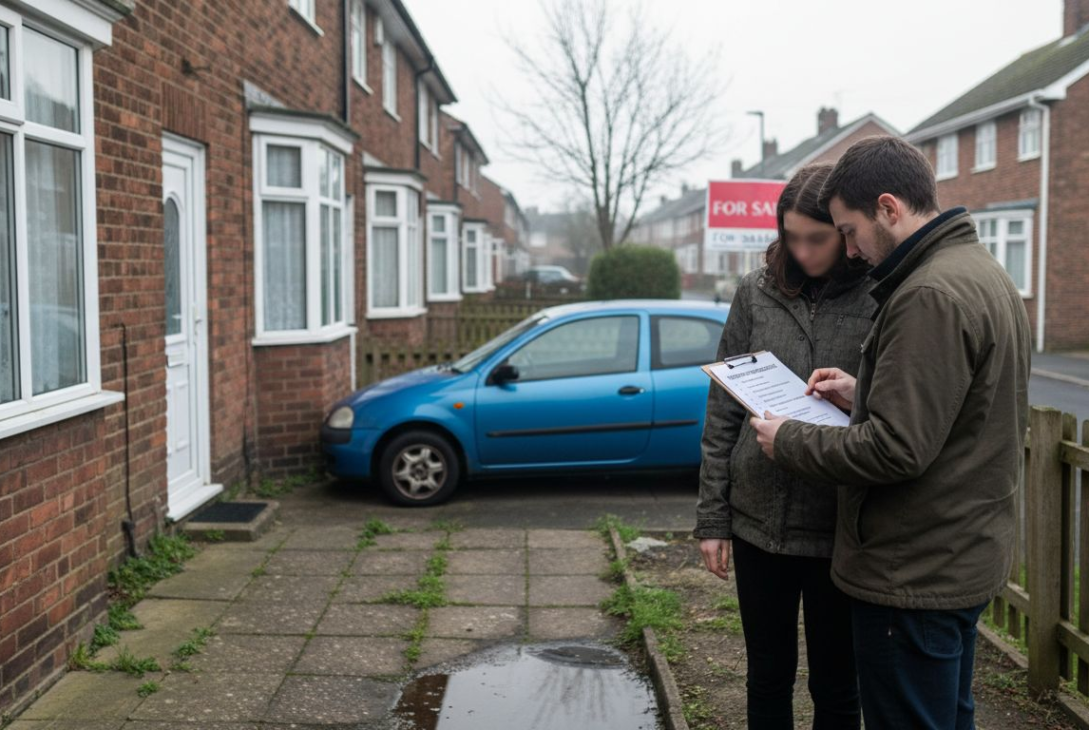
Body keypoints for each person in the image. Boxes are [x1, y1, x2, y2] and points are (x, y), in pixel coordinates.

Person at [751, 136, 1031, 730]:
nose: (850, 250)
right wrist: (866, 393)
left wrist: (789, 440)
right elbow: (960, 409)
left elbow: (896, 449)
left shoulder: (927, 293)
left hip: (913, 570)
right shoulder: (981, 272)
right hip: (959, 555)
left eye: (849, 231)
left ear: (888, 207)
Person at [695, 162, 873, 730]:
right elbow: (723, 409)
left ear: (844, 231)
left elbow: (895, 407)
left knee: (838, 686)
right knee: (767, 676)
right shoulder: (756, 291)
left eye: (817, 238)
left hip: (838, 525)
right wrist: (713, 519)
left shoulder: (880, 293)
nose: (802, 252)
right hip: (759, 523)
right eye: (790, 237)